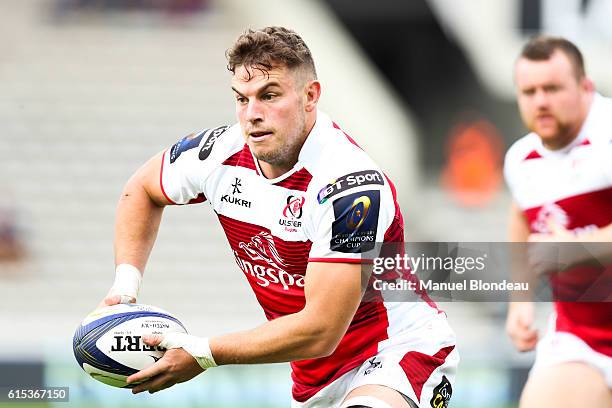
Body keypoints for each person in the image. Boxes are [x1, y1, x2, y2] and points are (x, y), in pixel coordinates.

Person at [97, 27, 458, 408]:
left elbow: (322, 329)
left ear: (310, 96)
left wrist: (204, 352)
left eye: (269, 96)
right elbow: (141, 189)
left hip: (396, 352)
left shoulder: (351, 187)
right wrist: (126, 286)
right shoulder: (218, 154)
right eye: (242, 99)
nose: (252, 115)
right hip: (313, 379)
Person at [504, 35, 612, 407]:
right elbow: (521, 215)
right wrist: (521, 300)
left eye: (552, 88)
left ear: (586, 87)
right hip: (582, 338)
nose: (541, 101)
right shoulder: (521, 160)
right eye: (529, 91)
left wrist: (578, 249)